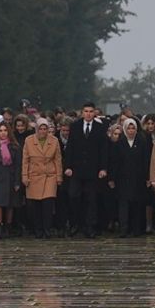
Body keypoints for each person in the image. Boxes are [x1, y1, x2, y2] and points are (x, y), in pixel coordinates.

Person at [64, 102, 109, 238]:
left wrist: (103, 168)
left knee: (91, 199)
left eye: (91, 111)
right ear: (82, 112)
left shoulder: (100, 128)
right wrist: (68, 166)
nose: (88, 114)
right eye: (86, 111)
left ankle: (90, 227)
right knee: (74, 196)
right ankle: (76, 224)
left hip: (93, 170)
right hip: (77, 170)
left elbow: (103, 150)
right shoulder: (75, 126)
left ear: (94, 113)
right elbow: (70, 147)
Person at [111, 118, 153, 237]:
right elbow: (115, 162)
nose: (130, 130)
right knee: (123, 205)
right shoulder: (120, 143)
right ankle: (124, 229)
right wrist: (112, 178)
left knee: (137, 204)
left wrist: (148, 177)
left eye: (133, 128)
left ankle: (137, 229)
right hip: (122, 179)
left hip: (138, 179)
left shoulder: (142, 142)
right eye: (128, 128)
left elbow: (146, 160)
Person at [23, 118, 63, 238]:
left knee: (48, 204)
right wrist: (24, 176)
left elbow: (58, 160)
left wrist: (59, 177)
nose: (43, 131)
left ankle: (47, 229)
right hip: (34, 175)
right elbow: (25, 160)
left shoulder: (54, 141)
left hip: (49, 176)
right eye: (40, 128)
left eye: (45, 128)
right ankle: (38, 230)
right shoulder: (29, 140)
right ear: (36, 129)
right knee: (35, 206)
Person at [0, 122, 23, 239]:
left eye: (5, 130)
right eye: (1, 131)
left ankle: (8, 225)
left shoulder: (15, 147)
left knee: (9, 203)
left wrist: (17, 181)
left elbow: (18, 165)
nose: (3, 133)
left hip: (10, 177)